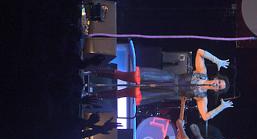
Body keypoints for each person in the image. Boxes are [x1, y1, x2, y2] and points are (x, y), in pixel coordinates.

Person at [86, 48, 234, 121]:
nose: (216, 85)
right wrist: (217, 61)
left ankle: (93, 96)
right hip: (165, 78)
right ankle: (93, 71)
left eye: (219, 87)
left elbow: (205, 116)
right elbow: (200, 52)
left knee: (125, 93)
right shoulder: (202, 72)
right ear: (217, 78)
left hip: (164, 92)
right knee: (126, 76)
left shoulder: (202, 98)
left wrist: (221, 107)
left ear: (216, 91)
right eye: (219, 82)